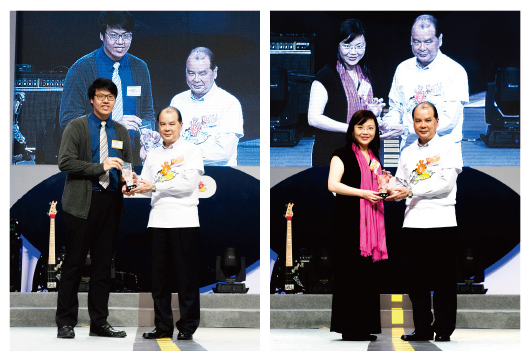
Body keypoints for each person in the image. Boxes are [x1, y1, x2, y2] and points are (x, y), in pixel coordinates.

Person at [56, 78, 132, 339]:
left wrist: (128, 182)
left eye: (110, 97)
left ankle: (99, 323)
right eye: (101, 96)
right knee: (74, 265)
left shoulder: (121, 131)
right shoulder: (76, 127)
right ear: (91, 99)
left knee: (103, 267)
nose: (106, 101)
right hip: (80, 204)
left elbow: (127, 165)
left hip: (110, 204)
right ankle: (65, 322)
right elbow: (65, 162)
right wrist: (100, 167)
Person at [124, 106, 204, 340]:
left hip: (185, 221)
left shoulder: (192, 150)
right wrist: (133, 188)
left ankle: (188, 326)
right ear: (158, 126)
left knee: (185, 278)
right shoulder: (153, 154)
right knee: (158, 280)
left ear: (181, 125)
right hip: (158, 221)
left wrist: (153, 186)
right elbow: (148, 187)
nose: (166, 128)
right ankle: (162, 326)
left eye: (171, 124)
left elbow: (188, 185)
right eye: (162, 124)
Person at [386, 101, 462, 342]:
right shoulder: (407, 152)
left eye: (428, 120)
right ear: (413, 123)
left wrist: (408, 192)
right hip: (413, 222)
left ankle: (444, 329)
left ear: (437, 122)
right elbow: (402, 185)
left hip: (441, 221)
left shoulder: (449, 147)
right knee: (415, 281)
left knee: (443, 280)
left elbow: (445, 184)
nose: (423, 125)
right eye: (418, 120)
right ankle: (422, 328)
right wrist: (390, 188)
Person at [59, 11, 156, 165]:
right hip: (94, 156)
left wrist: (147, 136)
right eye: (113, 35)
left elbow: (147, 112)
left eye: (126, 35)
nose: (120, 42)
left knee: (129, 188)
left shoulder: (140, 68)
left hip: (131, 155)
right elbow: (68, 120)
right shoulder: (81, 69)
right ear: (102, 35)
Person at [327, 109, 388, 341]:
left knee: (367, 275)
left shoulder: (374, 157)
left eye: (370, 128)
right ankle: (349, 327)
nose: (365, 132)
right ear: (352, 129)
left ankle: (364, 326)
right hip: (349, 222)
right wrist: (364, 193)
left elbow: (376, 188)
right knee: (350, 274)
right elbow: (333, 185)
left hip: (371, 224)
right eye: (361, 127)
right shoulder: (341, 154)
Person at [380, 14, 469, 151]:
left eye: (428, 42)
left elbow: (449, 120)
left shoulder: (455, 71)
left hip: (443, 152)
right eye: (416, 41)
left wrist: (407, 129)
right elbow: (396, 108)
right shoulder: (403, 68)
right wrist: (386, 125)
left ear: (440, 40)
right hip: (409, 150)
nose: (422, 48)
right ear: (411, 40)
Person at [308, 18, 385, 167]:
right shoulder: (326, 76)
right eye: (347, 46)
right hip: (332, 153)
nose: (353, 52)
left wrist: (372, 113)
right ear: (338, 45)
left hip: (364, 152)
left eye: (359, 46)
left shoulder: (364, 73)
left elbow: (358, 114)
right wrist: (351, 128)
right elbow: (313, 118)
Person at [170, 47, 244, 166]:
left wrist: (182, 155)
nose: (196, 79)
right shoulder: (177, 101)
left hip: (218, 177)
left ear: (214, 72)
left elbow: (223, 154)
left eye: (202, 73)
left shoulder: (230, 103)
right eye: (191, 73)